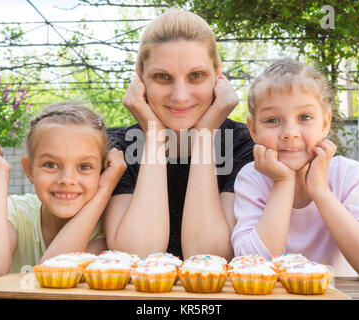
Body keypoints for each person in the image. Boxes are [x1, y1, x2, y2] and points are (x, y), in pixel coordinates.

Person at [104, 8, 254, 260]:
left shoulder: (244, 145)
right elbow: (135, 256)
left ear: (217, 75)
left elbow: (209, 258)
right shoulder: (117, 147)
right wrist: (154, 136)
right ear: (140, 79)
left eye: (196, 75)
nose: (181, 96)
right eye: (162, 77)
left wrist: (205, 135)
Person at [231, 58, 359, 280]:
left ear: (325, 123)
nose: (290, 132)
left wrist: (320, 191)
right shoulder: (251, 178)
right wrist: (282, 182)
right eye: (272, 120)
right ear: (253, 129)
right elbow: (254, 266)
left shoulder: (349, 175)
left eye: (304, 117)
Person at [0, 102, 127, 276]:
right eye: (51, 164)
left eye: (84, 166)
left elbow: (53, 272)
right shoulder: (16, 212)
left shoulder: (105, 231)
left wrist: (105, 189)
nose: (66, 179)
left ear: (102, 171)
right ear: (30, 170)